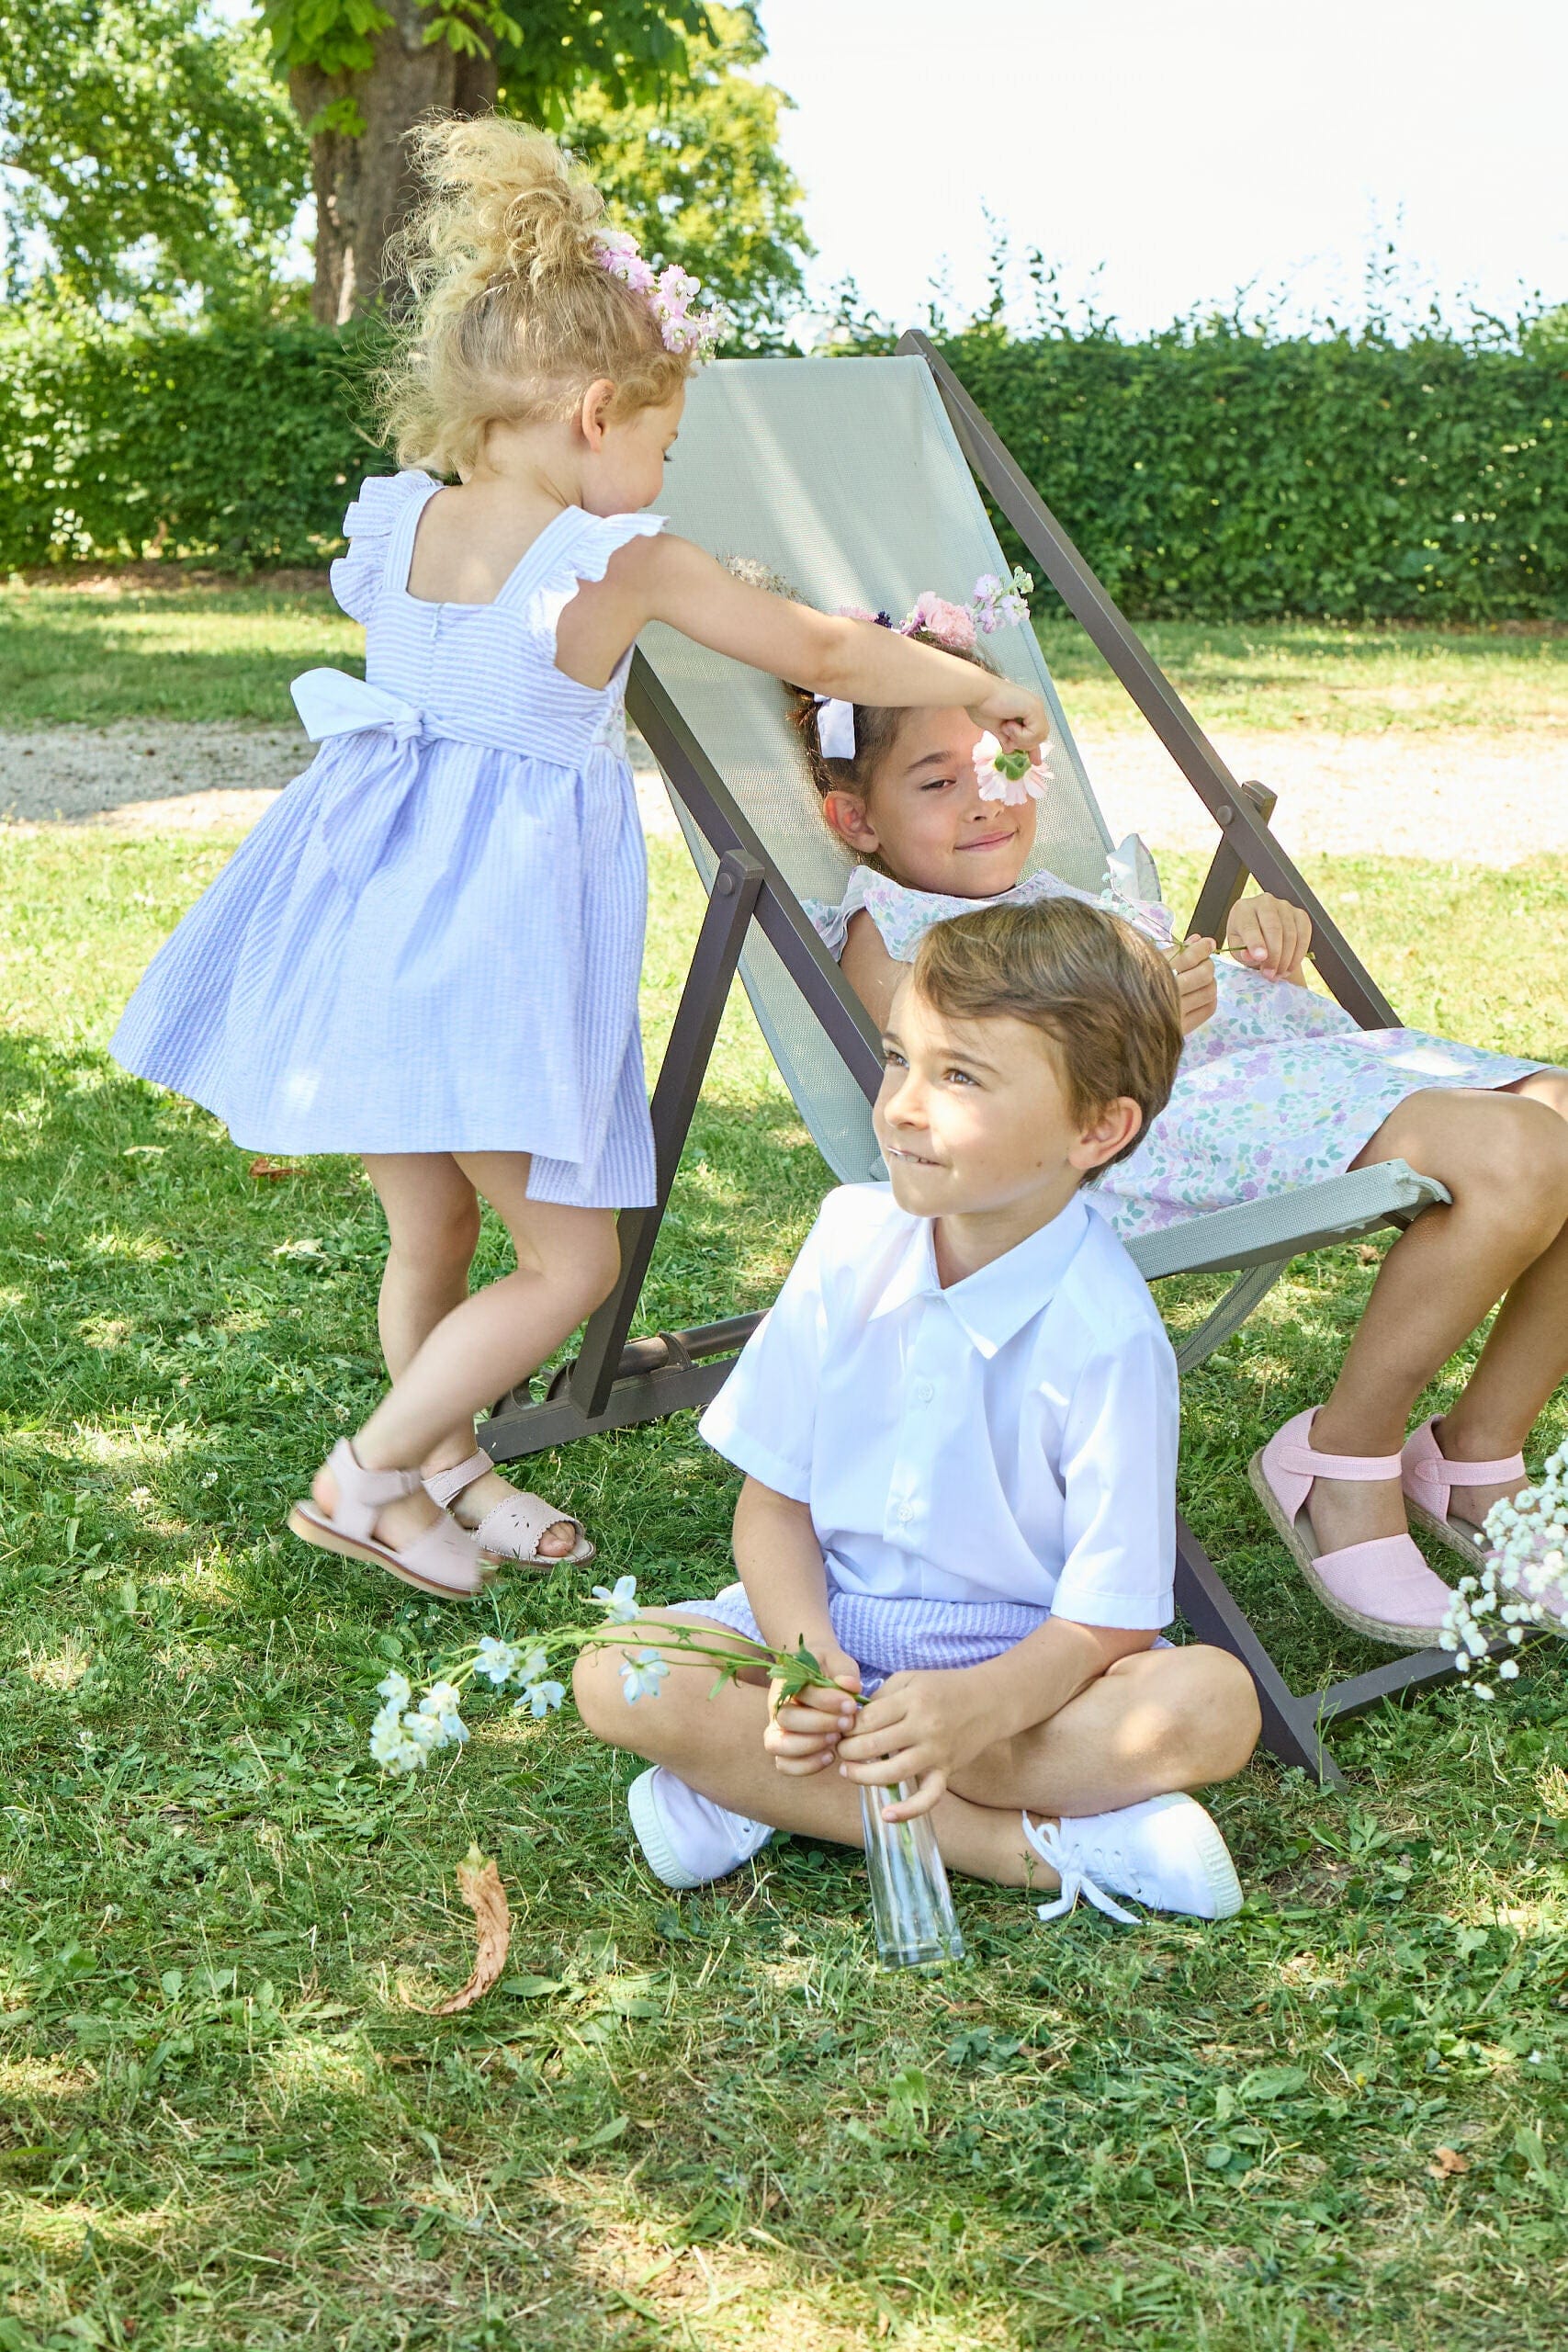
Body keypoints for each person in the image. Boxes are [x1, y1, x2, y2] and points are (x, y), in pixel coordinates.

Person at [107, 124, 1048, 1603]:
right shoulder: (618, 560)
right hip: (486, 957)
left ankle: (447, 1472)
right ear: (597, 412)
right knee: (571, 1265)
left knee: (431, 1227)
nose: (664, 474)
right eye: (664, 445)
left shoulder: (397, 522)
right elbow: (817, 649)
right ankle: (368, 1475)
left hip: (363, 923)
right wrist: (978, 684)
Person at [789, 586, 1568, 1648]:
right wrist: (1130, 1005)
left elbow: (1200, 994)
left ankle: (1476, 1454)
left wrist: (1248, 943)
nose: (984, 801)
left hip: (1251, 1085)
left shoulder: (1068, 897)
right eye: (937, 781)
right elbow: (957, 1073)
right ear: (854, 819)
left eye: (1001, 765)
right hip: (1115, 1147)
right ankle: (1341, 1456)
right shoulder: (894, 927)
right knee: (1516, 1149)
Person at [575, 899, 1262, 1925]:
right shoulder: (849, 1239)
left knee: (1213, 1704)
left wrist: (976, 1705)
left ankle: (759, 1790)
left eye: (960, 1078)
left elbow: (1109, 1620)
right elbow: (775, 1504)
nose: (900, 1105)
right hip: (834, 1629)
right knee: (614, 1669)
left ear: (1096, 1128)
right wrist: (803, 1659)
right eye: (900, 1058)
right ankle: (1016, 1848)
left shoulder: (1108, 1334)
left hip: (1020, 1673)